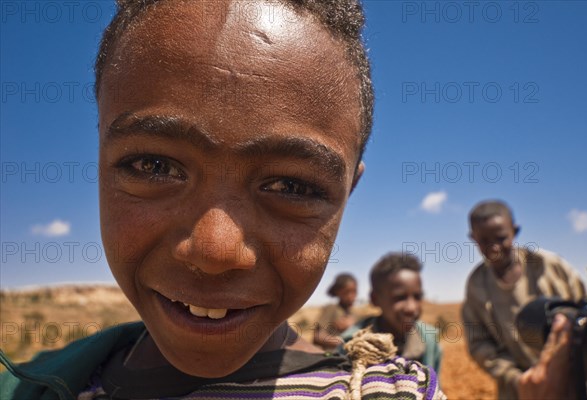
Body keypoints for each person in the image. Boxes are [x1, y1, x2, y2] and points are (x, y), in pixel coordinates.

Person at [0, 1, 445, 399]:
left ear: (346, 192)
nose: (214, 252)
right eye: (153, 166)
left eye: (292, 186)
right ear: (100, 157)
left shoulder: (384, 393)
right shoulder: (30, 385)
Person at [462, 199, 585, 399]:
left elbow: (584, 313)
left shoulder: (549, 267)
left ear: (515, 231)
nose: (494, 248)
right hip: (520, 391)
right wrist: (518, 378)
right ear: (473, 238)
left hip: (574, 381)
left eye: (501, 238)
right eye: (484, 241)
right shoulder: (476, 286)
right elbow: (479, 344)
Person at [340, 252, 442, 376]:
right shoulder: (351, 344)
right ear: (375, 299)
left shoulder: (429, 341)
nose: (411, 307)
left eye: (417, 296)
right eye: (400, 298)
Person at [313, 273, 358, 351]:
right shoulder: (332, 309)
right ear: (338, 292)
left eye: (354, 291)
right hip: (331, 356)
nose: (351, 296)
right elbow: (318, 336)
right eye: (346, 292)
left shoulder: (353, 313)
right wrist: (342, 342)